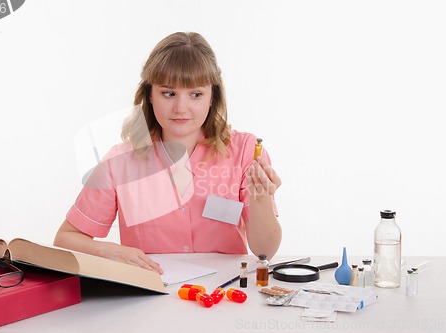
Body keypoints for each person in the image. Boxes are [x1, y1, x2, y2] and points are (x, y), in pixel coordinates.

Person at [54, 32, 282, 275]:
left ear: (212, 97)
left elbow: (264, 252)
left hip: (223, 295)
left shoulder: (245, 152)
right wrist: (110, 251)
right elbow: (65, 239)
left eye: (195, 94)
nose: (181, 108)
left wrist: (261, 201)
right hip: (149, 296)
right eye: (168, 93)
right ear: (149, 95)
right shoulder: (119, 163)